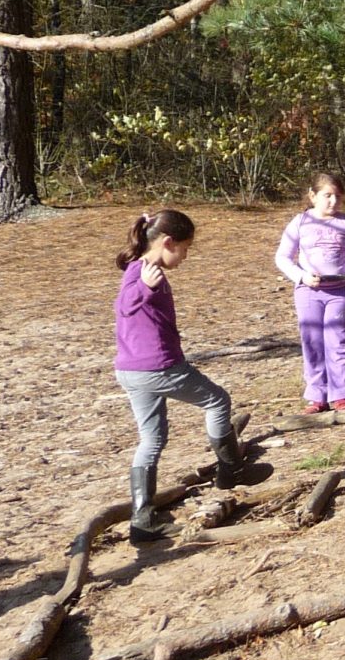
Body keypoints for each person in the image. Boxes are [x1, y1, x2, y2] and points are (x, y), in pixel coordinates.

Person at [114, 209, 267, 545]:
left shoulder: (141, 268)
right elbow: (125, 305)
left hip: (131, 370)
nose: (185, 256)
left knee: (151, 440)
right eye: (184, 249)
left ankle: (143, 521)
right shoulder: (143, 272)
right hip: (158, 368)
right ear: (168, 242)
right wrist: (144, 289)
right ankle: (232, 471)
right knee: (217, 400)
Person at [275, 172, 345, 414]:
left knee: (338, 342)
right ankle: (317, 396)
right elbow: (283, 257)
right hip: (308, 292)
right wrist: (301, 276)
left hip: (340, 293)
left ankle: (342, 395)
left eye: (338, 196)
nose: (333, 201)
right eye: (327, 195)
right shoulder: (300, 222)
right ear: (313, 196)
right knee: (312, 342)